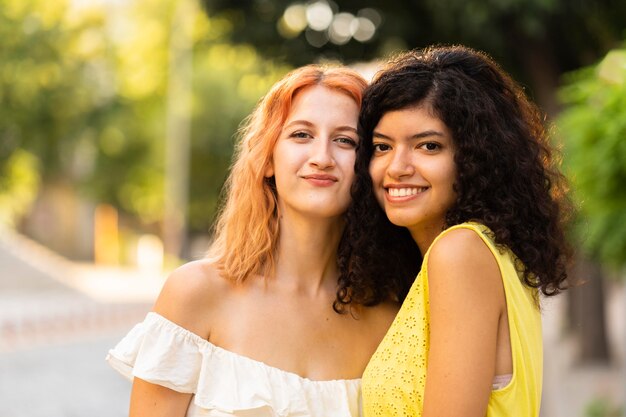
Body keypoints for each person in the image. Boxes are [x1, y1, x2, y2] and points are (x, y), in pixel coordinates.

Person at [106, 65, 405, 417]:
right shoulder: (196, 294)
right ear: (268, 160)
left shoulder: (388, 319)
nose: (322, 158)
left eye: (346, 140)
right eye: (301, 135)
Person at [339, 45, 572, 417]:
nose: (397, 167)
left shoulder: (460, 252)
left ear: (477, 158)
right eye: (382, 147)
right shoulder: (486, 253)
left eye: (428, 146)